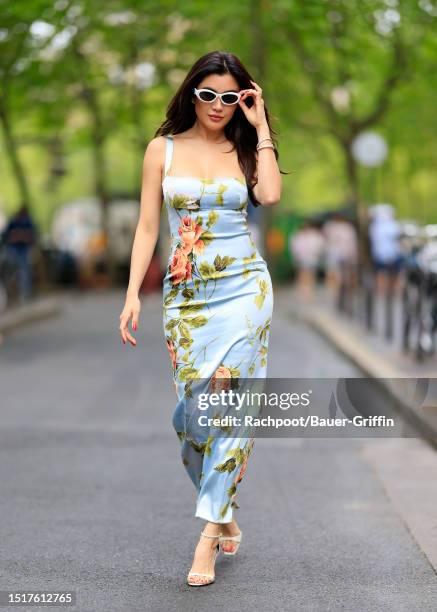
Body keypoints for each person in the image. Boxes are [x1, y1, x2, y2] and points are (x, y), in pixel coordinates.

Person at [118, 50, 282, 587]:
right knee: (193, 420)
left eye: (230, 96)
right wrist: (132, 294)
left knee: (229, 404)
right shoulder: (161, 150)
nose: (217, 105)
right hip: (186, 298)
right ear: (192, 93)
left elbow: (271, 193)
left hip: (245, 292)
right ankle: (225, 509)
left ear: (244, 99)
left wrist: (260, 128)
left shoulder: (245, 148)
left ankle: (208, 535)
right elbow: (147, 228)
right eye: (208, 94)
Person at [2, 204, 37, 304]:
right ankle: (12, 292)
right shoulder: (13, 222)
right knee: (11, 267)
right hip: (12, 251)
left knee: (24, 271)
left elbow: (32, 236)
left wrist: (22, 236)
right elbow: (7, 237)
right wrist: (16, 236)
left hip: (23, 252)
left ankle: (25, 294)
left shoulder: (28, 222)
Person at [322, 212, 359, 298]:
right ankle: (336, 292)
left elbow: (351, 242)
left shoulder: (345, 227)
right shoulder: (330, 226)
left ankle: (339, 292)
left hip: (342, 253)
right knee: (335, 273)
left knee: (341, 273)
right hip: (335, 253)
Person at [289, 220, 325, 302]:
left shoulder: (313, 235)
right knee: (303, 274)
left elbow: (319, 245)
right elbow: (294, 247)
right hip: (302, 258)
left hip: (311, 258)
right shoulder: (298, 236)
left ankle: (308, 291)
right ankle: (303, 291)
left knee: (310, 275)